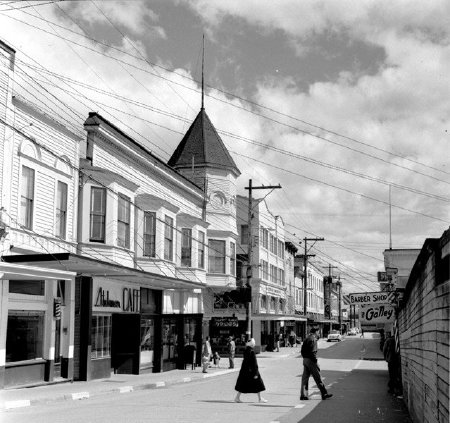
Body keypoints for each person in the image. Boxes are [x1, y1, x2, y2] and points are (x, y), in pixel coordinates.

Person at [300, 327, 333, 401]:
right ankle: (324, 393)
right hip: (311, 360)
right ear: (315, 332)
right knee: (318, 377)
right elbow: (313, 352)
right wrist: (315, 362)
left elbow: (302, 351)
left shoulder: (307, 338)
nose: (319, 333)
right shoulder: (313, 339)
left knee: (305, 378)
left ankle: (303, 395)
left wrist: (305, 358)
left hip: (305, 360)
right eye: (318, 332)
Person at [234, 338, 267, 403]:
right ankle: (260, 398)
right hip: (252, 371)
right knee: (258, 384)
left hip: (245, 371)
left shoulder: (246, 351)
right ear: (252, 344)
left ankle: (237, 397)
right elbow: (254, 363)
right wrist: (256, 373)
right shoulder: (252, 352)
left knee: (242, 384)